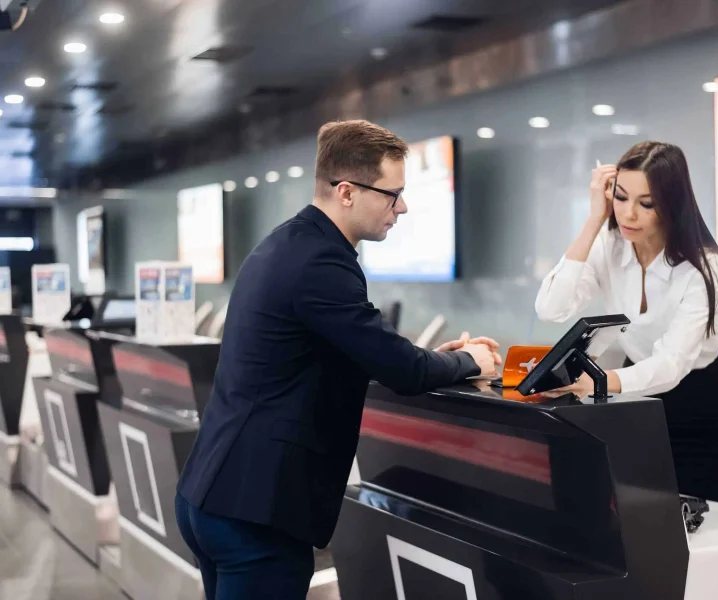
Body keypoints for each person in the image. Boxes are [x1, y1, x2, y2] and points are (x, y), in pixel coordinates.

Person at [175, 120, 501, 599]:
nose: (402, 207)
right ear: (346, 192)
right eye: (393, 194)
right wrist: (472, 361)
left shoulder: (290, 242)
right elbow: (402, 371)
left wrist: (436, 356)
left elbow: (359, 349)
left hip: (216, 494)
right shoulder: (322, 262)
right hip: (255, 510)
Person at [534, 141, 718, 508]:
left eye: (646, 203)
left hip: (706, 403)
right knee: (642, 524)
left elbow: (672, 365)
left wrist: (602, 382)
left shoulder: (704, 266)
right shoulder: (610, 244)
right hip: (638, 394)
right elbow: (551, 307)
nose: (628, 214)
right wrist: (593, 220)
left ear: (671, 203)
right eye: (620, 198)